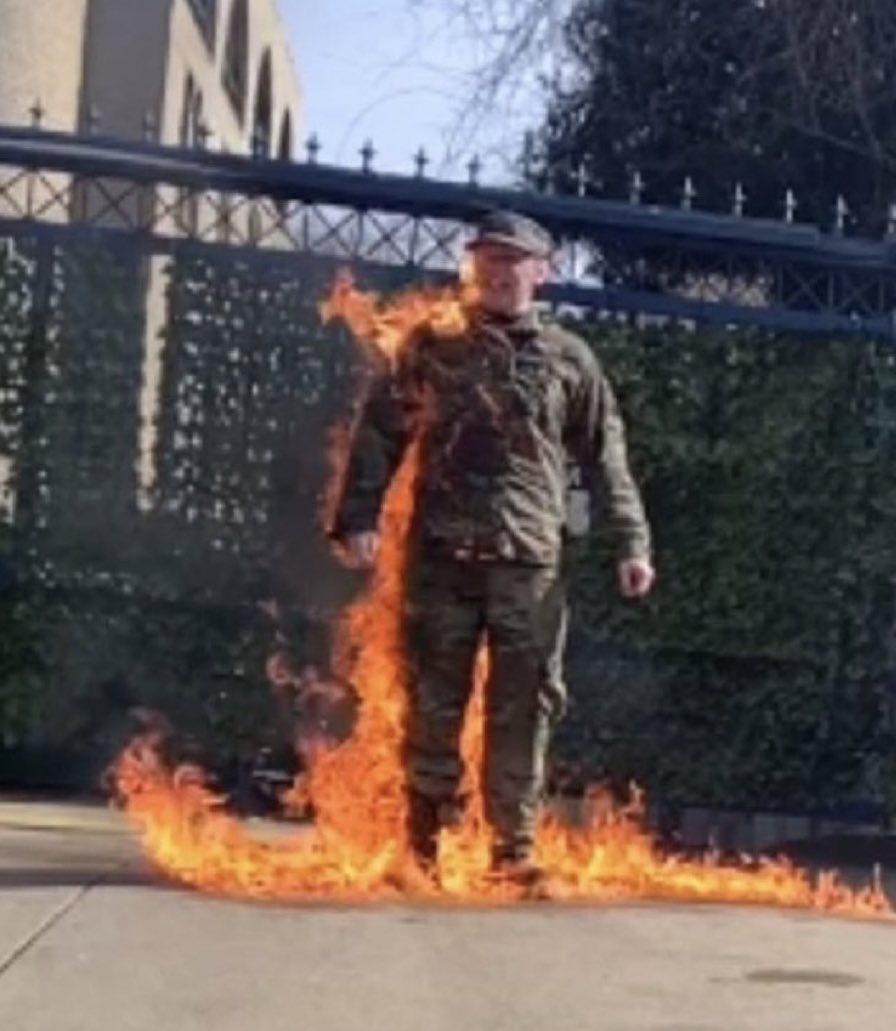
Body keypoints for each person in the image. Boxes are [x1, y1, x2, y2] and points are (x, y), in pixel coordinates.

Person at [329, 210, 655, 887]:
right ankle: (424, 846)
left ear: (543, 271)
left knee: (525, 703)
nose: (499, 271)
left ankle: (513, 849)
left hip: (529, 565)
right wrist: (357, 516)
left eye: (514, 260)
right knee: (432, 699)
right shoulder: (432, 344)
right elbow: (380, 431)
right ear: (471, 266)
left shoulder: (570, 359)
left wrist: (632, 542)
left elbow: (606, 455)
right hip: (441, 558)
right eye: (488, 259)